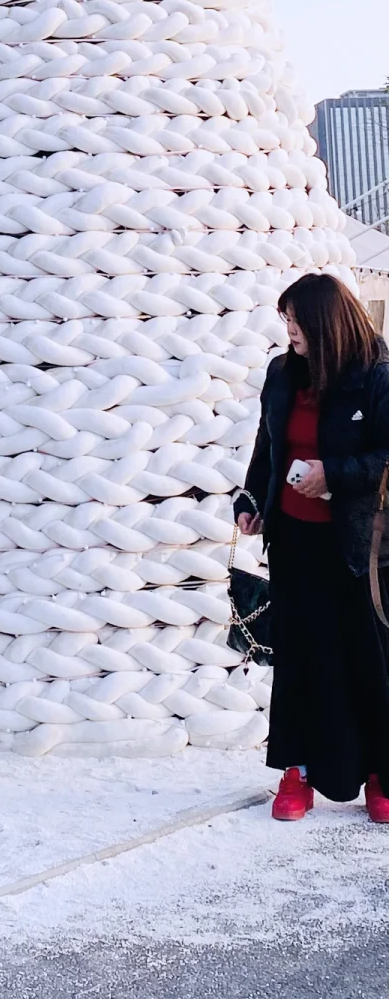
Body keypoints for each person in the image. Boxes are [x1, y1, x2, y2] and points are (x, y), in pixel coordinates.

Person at [236, 273, 389, 821]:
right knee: (300, 657)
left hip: (357, 547)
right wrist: (251, 500)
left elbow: (385, 456)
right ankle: (296, 773)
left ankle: (380, 775)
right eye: (287, 321)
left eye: (297, 322)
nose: (290, 332)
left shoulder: (374, 376)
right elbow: (267, 445)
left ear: (325, 325)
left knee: (365, 660)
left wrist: (334, 475)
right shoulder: (282, 374)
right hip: (294, 540)